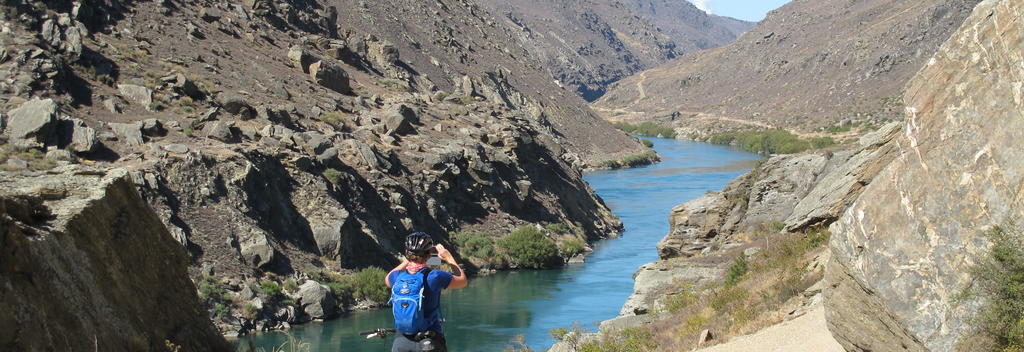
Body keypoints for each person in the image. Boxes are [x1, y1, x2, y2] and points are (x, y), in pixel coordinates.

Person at [386, 232, 468, 352]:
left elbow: (387, 278)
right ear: (429, 254)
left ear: (407, 253)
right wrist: (448, 257)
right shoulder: (435, 277)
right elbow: (462, 281)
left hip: (402, 342)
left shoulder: (397, 277)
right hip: (430, 341)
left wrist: (408, 260)